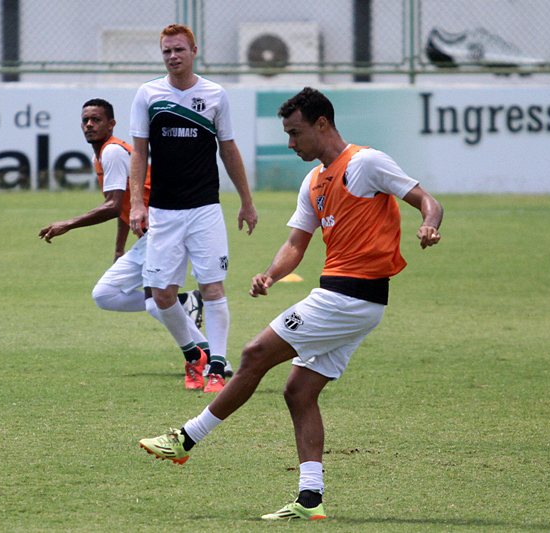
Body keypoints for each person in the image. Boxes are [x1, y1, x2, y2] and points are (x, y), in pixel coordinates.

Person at [139, 87, 443, 520]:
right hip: (353, 302)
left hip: (347, 297)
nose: (290, 142)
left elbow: (427, 201)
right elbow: (296, 243)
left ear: (322, 124)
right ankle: (310, 500)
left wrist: (429, 225)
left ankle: (185, 439)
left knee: (253, 354)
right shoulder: (314, 181)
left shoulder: (366, 163)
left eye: (295, 132)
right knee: (299, 391)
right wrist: (270, 274)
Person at [128, 24, 258, 393]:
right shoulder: (148, 94)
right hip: (164, 212)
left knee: (212, 288)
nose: (173, 56)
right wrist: (138, 203)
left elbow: (228, 150)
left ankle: (216, 366)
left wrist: (247, 202)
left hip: (204, 208)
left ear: (194, 50)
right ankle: (193, 353)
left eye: (179, 49)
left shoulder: (215, 94)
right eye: (167, 50)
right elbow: (139, 151)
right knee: (162, 294)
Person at [39, 98, 210, 369]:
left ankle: (209, 358)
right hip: (159, 232)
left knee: (155, 303)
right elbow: (125, 205)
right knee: (107, 294)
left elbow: (113, 206)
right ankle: (183, 305)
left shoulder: (113, 152)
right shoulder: (105, 153)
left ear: (111, 124)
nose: (89, 125)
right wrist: (119, 248)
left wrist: (67, 225)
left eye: (96, 119)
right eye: (85, 120)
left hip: (165, 229)